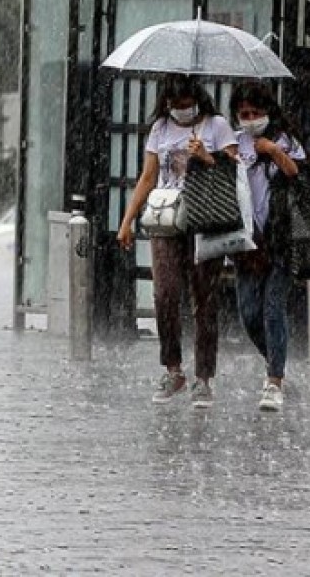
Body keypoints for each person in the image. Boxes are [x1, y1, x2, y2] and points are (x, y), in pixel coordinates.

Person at [118, 74, 238, 408]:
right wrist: (128, 220)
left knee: (204, 298)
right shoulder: (160, 129)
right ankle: (173, 368)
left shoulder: (216, 126)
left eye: (186, 103)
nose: (181, 109)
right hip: (168, 219)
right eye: (175, 104)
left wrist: (207, 157)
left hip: (205, 219)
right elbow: (148, 176)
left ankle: (204, 376)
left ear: (196, 99)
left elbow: (235, 170)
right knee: (165, 294)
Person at [229, 82, 304, 411]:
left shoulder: (285, 140)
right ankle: (276, 360)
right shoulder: (234, 142)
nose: (250, 119)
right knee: (249, 313)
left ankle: (274, 380)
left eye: (256, 113)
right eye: (244, 114)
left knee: (273, 308)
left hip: (280, 238)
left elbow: (296, 172)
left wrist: (272, 150)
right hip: (247, 242)